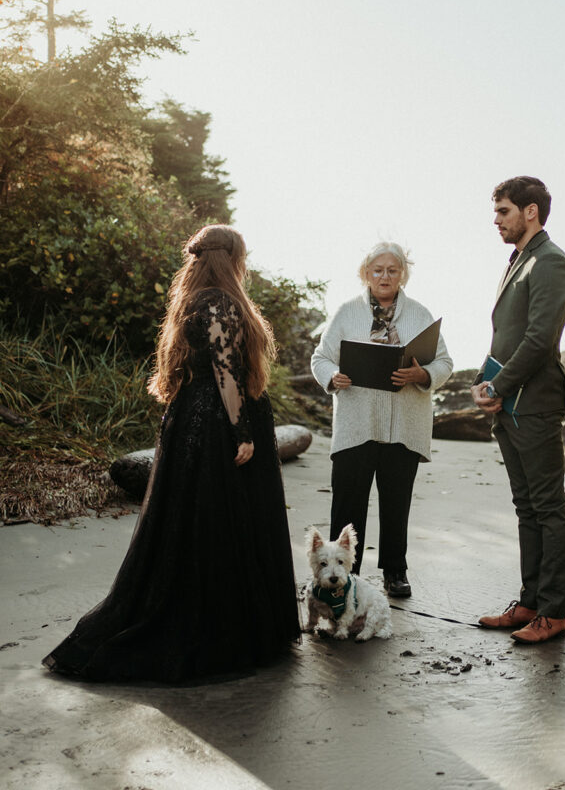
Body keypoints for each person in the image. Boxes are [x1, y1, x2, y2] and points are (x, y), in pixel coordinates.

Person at [42, 225, 300, 682]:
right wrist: (242, 432)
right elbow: (226, 373)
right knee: (219, 522)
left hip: (190, 420)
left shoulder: (193, 299)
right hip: (217, 422)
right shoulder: (221, 301)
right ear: (232, 258)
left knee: (189, 523)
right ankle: (223, 629)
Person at [311, 242, 453, 598]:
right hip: (356, 425)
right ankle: (342, 575)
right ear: (365, 274)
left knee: (396, 503)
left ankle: (395, 571)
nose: (385, 276)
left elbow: (445, 363)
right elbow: (320, 357)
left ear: (402, 274)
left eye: (392, 270)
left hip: (404, 427)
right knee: (347, 506)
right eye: (378, 270)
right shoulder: (346, 312)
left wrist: (422, 376)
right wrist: (332, 377)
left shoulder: (420, 314)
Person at [472, 177, 565, 644]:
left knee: (549, 508)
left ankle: (554, 612)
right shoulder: (520, 260)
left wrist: (500, 383)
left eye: (504, 211)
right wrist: (483, 379)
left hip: (534, 405)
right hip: (509, 404)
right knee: (526, 507)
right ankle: (530, 601)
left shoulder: (552, 263)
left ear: (530, 212)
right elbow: (506, 335)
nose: (496, 220)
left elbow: (539, 341)